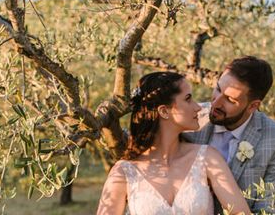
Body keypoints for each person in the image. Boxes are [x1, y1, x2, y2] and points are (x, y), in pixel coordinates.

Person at [96, 71, 251, 215]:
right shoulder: (124, 171)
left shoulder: (207, 158)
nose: (198, 107)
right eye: (188, 99)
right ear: (164, 111)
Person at [184, 56, 275, 214]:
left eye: (229, 99)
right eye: (217, 89)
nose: (215, 103)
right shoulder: (188, 118)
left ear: (253, 106)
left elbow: (267, 209)